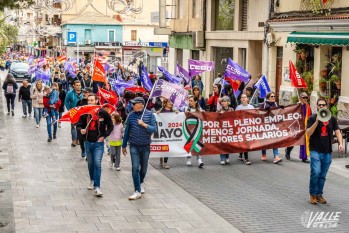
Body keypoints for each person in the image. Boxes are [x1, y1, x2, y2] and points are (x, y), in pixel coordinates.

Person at [307, 98, 343, 205]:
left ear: (326, 107)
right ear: (317, 107)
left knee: (322, 175)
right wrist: (317, 122)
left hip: (327, 151)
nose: (321, 107)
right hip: (315, 150)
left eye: (323, 105)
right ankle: (312, 194)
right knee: (316, 172)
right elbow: (308, 133)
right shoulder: (312, 118)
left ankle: (319, 194)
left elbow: (337, 132)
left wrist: (341, 143)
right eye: (319, 105)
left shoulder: (331, 118)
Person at [76, 94, 114, 197]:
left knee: (97, 163)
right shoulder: (84, 113)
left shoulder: (103, 113)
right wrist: (81, 130)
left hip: (98, 143)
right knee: (91, 164)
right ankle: (92, 180)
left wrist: (104, 136)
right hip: (88, 142)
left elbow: (110, 125)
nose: (90, 102)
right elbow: (78, 125)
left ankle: (97, 187)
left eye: (92, 100)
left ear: (97, 101)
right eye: (89, 101)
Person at [122, 97, 157, 200]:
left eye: (134, 104)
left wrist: (144, 124)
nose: (132, 106)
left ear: (141, 104)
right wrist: (124, 146)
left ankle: (140, 182)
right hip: (134, 146)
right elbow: (127, 131)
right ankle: (137, 190)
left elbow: (154, 129)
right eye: (132, 104)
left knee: (144, 168)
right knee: (135, 167)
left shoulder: (150, 115)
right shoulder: (131, 115)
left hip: (145, 146)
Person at [285, 92, 311, 163]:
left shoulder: (308, 106)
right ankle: (288, 150)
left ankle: (304, 157)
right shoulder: (296, 105)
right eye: (304, 97)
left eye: (306, 97)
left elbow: (310, 115)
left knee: (304, 141)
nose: (305, 99)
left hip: (304, 125)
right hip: (297, 125)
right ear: (300, 98)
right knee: (294, 140)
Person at [260, 92, 283, 164]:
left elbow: (279, 112)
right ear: (268, 98)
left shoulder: (275, 104)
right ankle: (263, 153)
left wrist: (281, 108)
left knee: (274, 141)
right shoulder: (264, 104)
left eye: (274, 96)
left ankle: (276, 156)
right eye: (272, 96)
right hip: (265, 125)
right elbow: (260, 114)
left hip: (273, 125)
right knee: (265, 140)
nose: (273, 97)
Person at [157, 98, 178, 169]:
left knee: (167, 147)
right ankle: (161, 157)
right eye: (169, 102)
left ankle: (165, 162)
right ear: (165, 103)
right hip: (162, 131)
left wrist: (177, 114)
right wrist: (158, 114)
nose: (171, 103)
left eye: (171, 102)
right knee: (163, 146)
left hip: (169, 132)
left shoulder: (173, 111)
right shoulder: (161, 111)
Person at [185, 96, 205, 168]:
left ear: (195, 102)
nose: (190, 102)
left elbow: (203, 115)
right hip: (188, 128)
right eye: (189, 101)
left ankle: (199, 160)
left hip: (197, 128)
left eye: (191, 101)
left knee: (197, 143)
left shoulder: (199, 109)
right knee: (189, 142)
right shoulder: (186, 108)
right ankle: (188, 158)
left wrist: (203, 112)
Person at [236, 94, 254, 165]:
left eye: (245, 97)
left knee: (246, 142)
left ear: (247, 99)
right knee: (242, 141)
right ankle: (242, 155)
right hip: (241, 127)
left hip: (248, 127)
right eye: (242, 97)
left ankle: (245, 157)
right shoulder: (238, 107)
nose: (243, 98)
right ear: (240, 99)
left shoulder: (251, 107)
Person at [64, 80, 83, 147]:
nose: (78, 87)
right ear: (74, 86)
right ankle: (74, 140)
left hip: (82, 113)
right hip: (74, 113)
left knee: (80, 126)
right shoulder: (70, 93)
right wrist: (70, 109)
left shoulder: (84, 93)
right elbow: (66, 102)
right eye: (77, 85)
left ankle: (78, 139)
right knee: (73, 127)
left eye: (79, 85)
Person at [76, 87, 93, 158]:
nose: (84, 94)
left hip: (90, 122)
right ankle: (83, 149)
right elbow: (76, 112)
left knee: (88, 138)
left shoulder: (94, 102)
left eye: (86, 92)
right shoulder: (80, 102)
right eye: (84, 92)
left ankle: (88, 153)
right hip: (81, 122)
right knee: (81, 138)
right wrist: (75, 123)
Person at [217, 96, 234, 165]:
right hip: (221, 129)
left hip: (229, 129)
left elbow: (235, 118)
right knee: (222, 144)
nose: (223, 103)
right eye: (222, 101)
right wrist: (219, 114)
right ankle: (222, 158)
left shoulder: (232, 109)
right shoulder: (219, 109)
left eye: (225, 101)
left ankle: (227, 156)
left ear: (228, 102)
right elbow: (214, 118)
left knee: (228, 144)